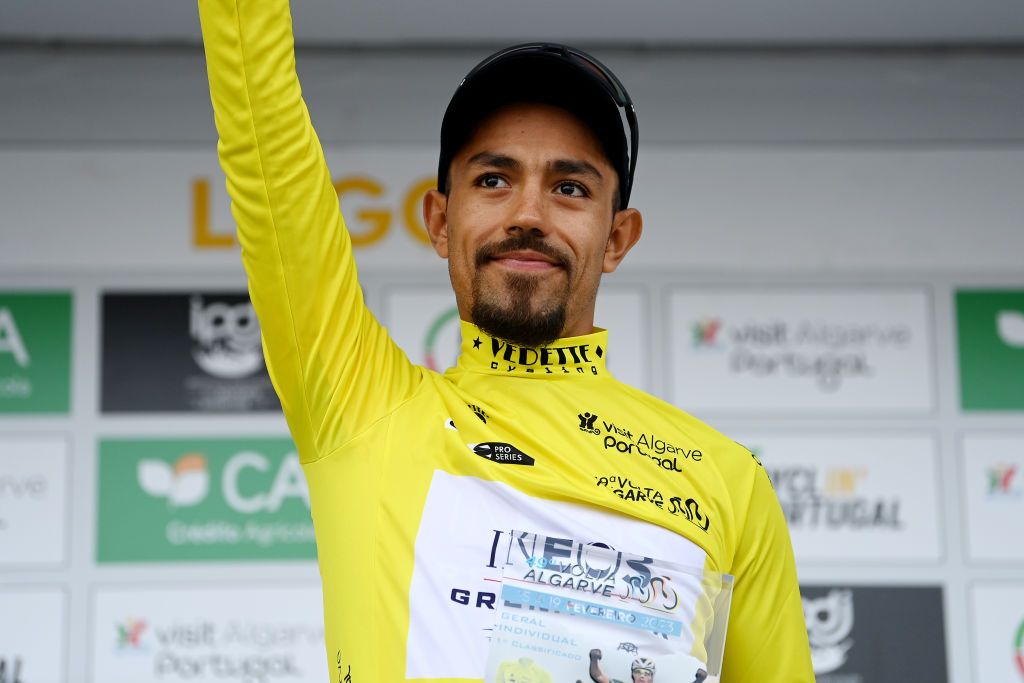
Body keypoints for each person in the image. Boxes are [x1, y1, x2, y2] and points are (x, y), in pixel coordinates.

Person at [198, 0, 814, 680]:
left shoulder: (727, 480)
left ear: (616, 238)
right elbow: (267, 150)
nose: (527, 214)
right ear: (438, 219)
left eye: (570, 187)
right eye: (493, 180)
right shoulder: (361, 408)